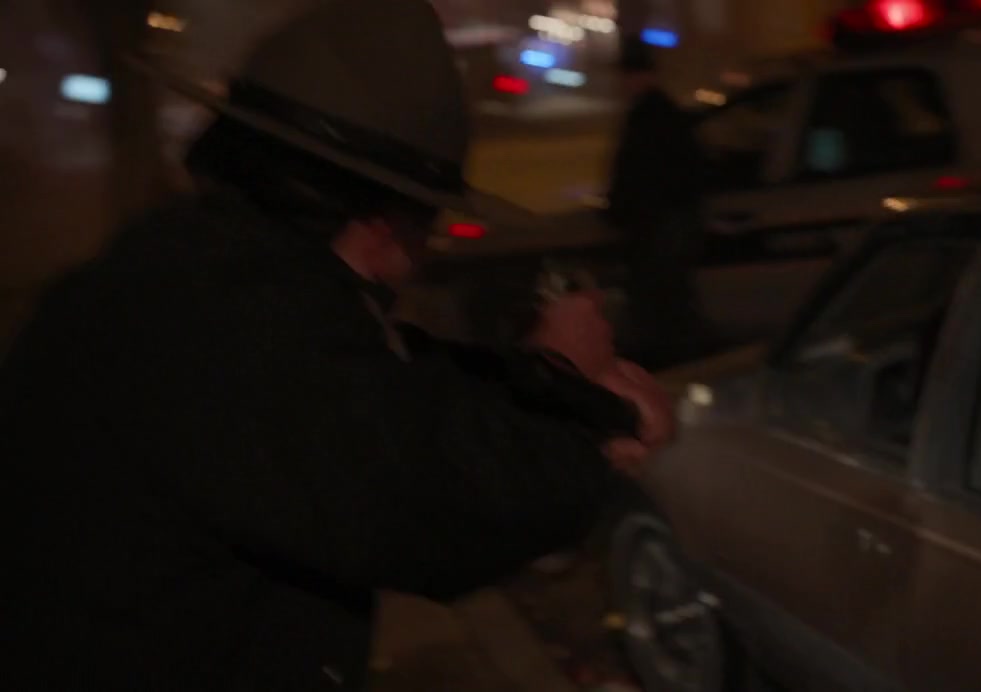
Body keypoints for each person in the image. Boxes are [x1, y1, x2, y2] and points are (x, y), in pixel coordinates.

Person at [0, 1, 673, 691]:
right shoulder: (236, 319)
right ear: (383, 225)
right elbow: (425, 502)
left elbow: (395, 393)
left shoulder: (199, 276)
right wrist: (571, 400)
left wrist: (551, 387)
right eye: (427, 224)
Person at [604, 34, 708, 369]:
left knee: (661, 301)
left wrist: (624, 211)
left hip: (658, 227)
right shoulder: (659, 113)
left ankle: (673, 362)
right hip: (660, 224)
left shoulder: (651, 116)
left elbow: (643, 175)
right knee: (668, 300)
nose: (624, 84)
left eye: (628, 75)